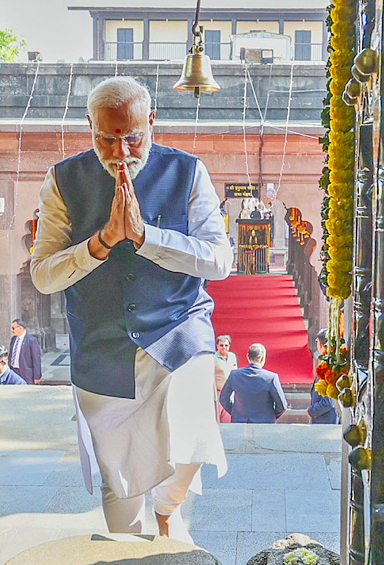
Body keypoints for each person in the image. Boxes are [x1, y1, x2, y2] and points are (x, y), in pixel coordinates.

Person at [30, 76, 233, 540]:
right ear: (89, 127)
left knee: (192, 439)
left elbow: (220, 261)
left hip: (179, 329)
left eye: (132, 136)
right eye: (106, 138)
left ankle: (168, 506)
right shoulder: (63, 179)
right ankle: (125, 547)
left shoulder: (187, 171)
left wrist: (146, 238)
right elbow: (42, 274)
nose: (120, 151)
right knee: (119, 480)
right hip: (103, 344)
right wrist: (100, 242)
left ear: (152, 122)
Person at [220, 343, 288, 424]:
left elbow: (223, 398)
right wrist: (270, 416)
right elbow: (282, 405)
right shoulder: (271, 378)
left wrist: (235, 413)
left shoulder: (235, 375)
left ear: (248, 357)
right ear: (263, 358)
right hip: (264, 423)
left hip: (240, 422)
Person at [307, 329, 337, 425]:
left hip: (326, 420)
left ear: (320, 345)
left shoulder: (329, 367)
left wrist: (311, 411)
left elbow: (328, 402)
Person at [8, 318, 42, 384]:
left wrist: (37, 376)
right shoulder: (13, 339)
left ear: (20, 328)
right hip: (14, 371)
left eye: (13, 328)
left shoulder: (31, 340)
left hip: (26, 372)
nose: (12, 331)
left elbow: (36, 359)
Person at [213, 334, 238, 423]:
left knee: (228, 416)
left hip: (230, 392)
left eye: (226, 345)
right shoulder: (212, 358)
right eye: (221, 345)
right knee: (217, 417)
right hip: (218, 392)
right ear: (217, 346)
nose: (224, 347)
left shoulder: (232, 356)